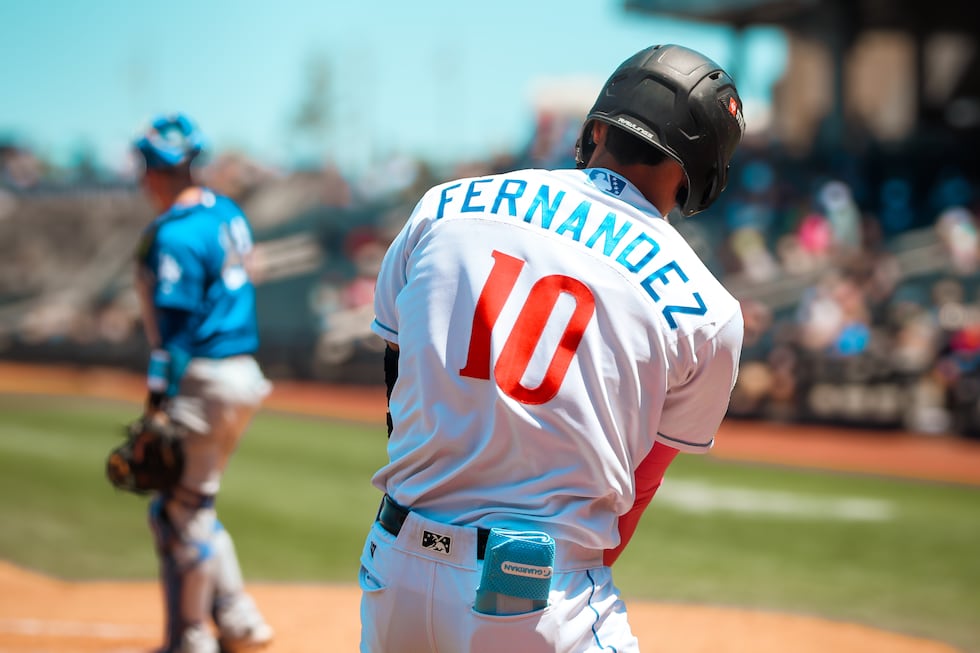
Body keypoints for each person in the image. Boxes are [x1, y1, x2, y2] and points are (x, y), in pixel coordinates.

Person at [360, 43, 746, 652]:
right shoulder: (710, 308)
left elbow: (396, 375)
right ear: (706, 169)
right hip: (533, 592)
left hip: (392, 567)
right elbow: (637, 493)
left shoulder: (442, 205)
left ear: (596, 128)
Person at [131, 113, 274, 653]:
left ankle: (190, 636)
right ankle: (238, 618)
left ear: (152, 171)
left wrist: (157, 400)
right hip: (244, 374)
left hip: (204, 376)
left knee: (177, 515)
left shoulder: (172, 233)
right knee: (196, 502)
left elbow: (175, 331)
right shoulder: (228, 211)